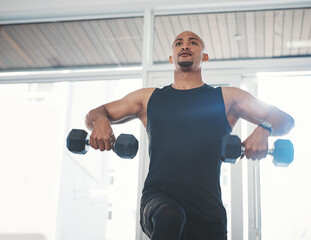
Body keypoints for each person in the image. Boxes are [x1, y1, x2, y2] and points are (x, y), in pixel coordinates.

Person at [85, 31, 294, 240]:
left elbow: (285, 120)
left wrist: (263, 129)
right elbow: (93, 115)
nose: (185, 46)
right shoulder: (148, 99)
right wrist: (101, 121)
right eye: (178, 43)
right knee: (170, 215)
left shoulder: (227, 98)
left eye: (193, 42)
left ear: (204, 56)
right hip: (158, 202)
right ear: (171, 58)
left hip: (208, 213)